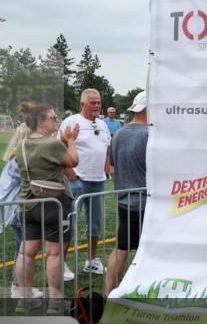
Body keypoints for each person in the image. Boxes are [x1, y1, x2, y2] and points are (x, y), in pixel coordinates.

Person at [15, 104, 79, 313]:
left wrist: (62, 142)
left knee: (26, 252)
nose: (57, 121)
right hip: (55, 204)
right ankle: (55, 303)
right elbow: (73, 161)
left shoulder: (22, 143)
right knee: (54, 254)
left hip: (28, 203)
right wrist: (70, 141)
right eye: (53, 118)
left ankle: (24, 300)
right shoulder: (53, 144)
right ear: (41, 122)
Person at [59, 89, 113, 274]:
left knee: (95, 223)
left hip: (98, 181)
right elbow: (59, 148)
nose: (97, 105)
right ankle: (61, 263)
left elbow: (106, 149)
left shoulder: (103, 124)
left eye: (98, 102)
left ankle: (91, 260)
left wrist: (107, 168)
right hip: (78, 180)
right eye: (93, 102)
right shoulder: (71, 121)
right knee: (69, 222)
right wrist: (70, 173)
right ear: (82, 104)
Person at [0, 105, 42, 298]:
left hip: (16, 209)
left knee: (21, 247)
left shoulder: (17, 157)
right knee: (25, 249)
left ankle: (18, 285)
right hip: (19, 210)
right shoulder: (21, 160)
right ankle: (20, 287)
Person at [105, 92, 149, 296]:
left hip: (124, 200)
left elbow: (112, 167)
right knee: (148, 253)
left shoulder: (119, 134)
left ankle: (109, 295)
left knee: (121, 248)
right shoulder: (150, 135)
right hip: (147, 203)